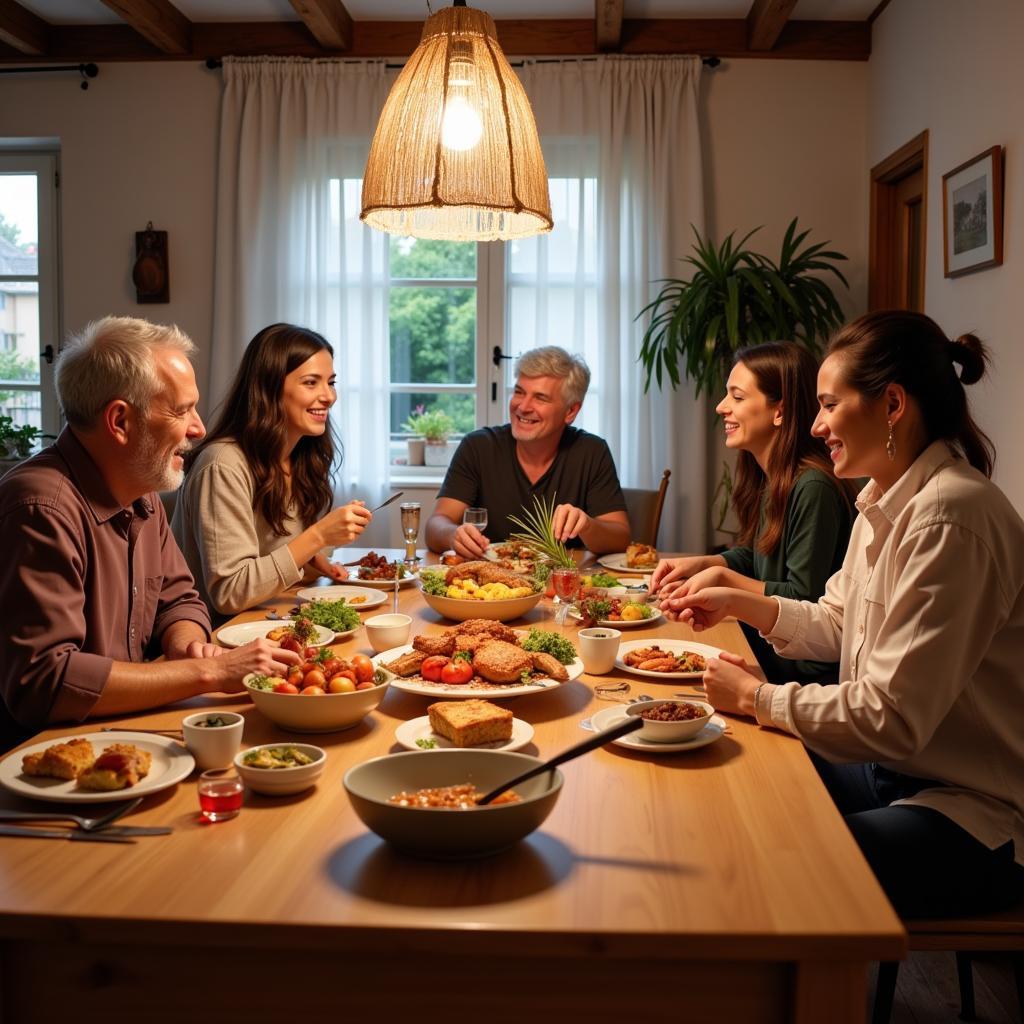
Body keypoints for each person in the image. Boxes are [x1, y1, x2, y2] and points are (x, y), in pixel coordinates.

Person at [664, 311, 1024, 917]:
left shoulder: (949, 517)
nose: (816, 424)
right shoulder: (885, 496)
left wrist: (757, 699)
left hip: (971, 808)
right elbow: (835, 620)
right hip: (896, 774)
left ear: (892, 405)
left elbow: (890, 716)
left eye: (829, 405)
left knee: (767, 857)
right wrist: (738, 601)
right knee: (723, 785)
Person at [0, 316, 299, 749]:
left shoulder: (141, 490)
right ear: (120, 421)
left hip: (127, 734)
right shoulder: (40, 507)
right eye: (181, 410)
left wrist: (188, 646)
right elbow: (43, 681)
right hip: (50, 763)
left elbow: (179, 600)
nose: (199, 428)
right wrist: (209, 672)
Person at [650, 342, 855, 683]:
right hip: (767, 654)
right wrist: (706, 563)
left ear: (780, 411)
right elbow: (759, 557)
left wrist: (724, 580)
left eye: (738, 397)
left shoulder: (813, 487)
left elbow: (803, 600)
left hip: (798, 676)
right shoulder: (772, 475)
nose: (721, 407)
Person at [172, 323, 372, 625]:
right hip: (216, 639)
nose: (329, 396)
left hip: (268, 624)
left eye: (330, 382)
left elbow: (269, 563)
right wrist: (316, 537)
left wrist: (310, 561)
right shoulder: (223, 464)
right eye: (311, 383)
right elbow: (229, 593)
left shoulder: (298, 457)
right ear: (270, 388)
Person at [425, 346, 629, 557]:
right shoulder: (477, 446)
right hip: (489, 585)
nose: (523, 407)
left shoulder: (592, 451)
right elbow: (435, 525)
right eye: (519, 392)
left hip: (563, 584)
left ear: (570, 411)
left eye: (540, 398)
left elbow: (620, 537)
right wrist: (452, 535)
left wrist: (588, 526)